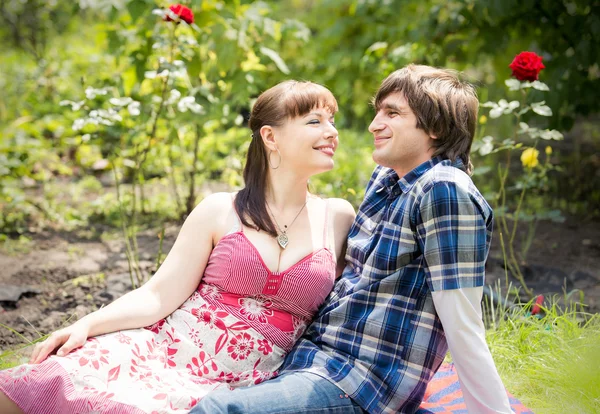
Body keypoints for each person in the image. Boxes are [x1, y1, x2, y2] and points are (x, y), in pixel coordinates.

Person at [0, 80, 356, 414]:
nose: (332, 131)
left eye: (332, 120)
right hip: (166, 352)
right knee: (42, 383)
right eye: (315, 120)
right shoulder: (221, 209)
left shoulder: (337, 217)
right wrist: (86, 325)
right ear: (270, 137)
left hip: (242, 389)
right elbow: (159, 294)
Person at [191, 65, 514, 414]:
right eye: (377, 111)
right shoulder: (387, 178)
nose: (374, 125)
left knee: (216, 412)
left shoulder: (446, 192)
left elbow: (463, 322)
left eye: (392, 113)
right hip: (312, 359)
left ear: (435, 127)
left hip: (360, 383)